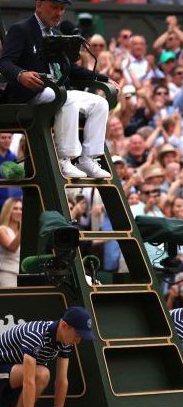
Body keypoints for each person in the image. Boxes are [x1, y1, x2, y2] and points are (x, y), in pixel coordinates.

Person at [0, 0, 112, 179]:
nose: (59, 12)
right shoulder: (21, 30)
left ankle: (88, 159)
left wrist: (103, 78)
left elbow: (70, 68)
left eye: (62, 8)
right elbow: (5, 62)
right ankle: (64, 159)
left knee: (100, 104)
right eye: (54, 7)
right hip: (29, 93)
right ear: (39, 5)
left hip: (56, 91)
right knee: (66, 98)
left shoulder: (57, 35)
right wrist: (21, 74)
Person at [0, 307, 94, 407]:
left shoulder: (65, 343)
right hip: (6, 371)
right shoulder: (36, 335)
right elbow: (29, 380)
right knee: (42, 373)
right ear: (64, 325)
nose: (78, 341)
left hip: (10, 377)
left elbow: (62, 381)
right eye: (77, 335)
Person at [0, 198, 22, 288]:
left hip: (22, 274)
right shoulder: (2, 229)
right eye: (15, 208)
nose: (19, 212)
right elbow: (12, 248)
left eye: (21, 209)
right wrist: (23, 228)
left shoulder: (21, 231)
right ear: (8, 210)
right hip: (7, 274)